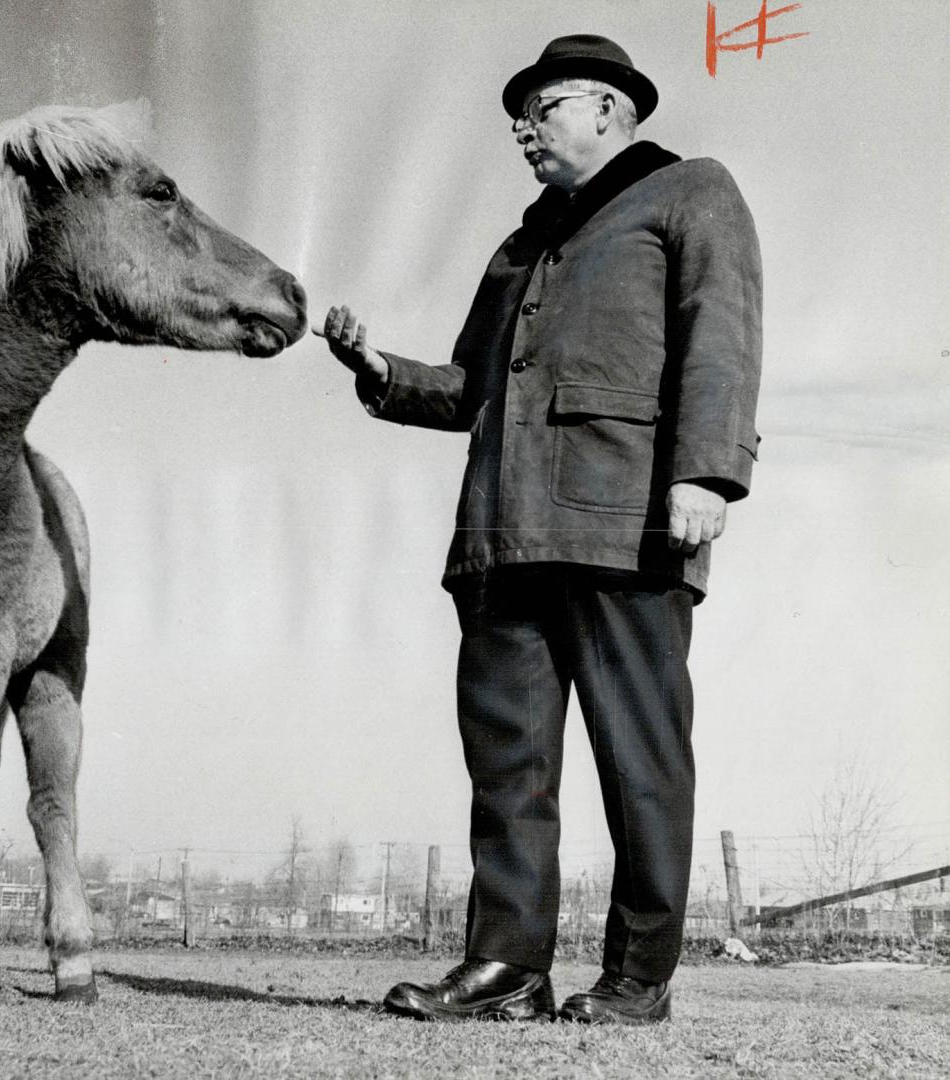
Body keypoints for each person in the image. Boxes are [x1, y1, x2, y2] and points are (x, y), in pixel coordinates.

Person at [318, 34, 762, 1024]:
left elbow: (719, 339)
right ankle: (506, 968)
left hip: (628, 528)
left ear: (608, 107)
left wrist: (705, 473)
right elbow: (474, 387)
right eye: (517, 112)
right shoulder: (518, 245)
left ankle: (637, 977)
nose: (521, 128)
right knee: (505, 769)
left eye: (542, 105)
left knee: (639, 761)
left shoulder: (690, 193)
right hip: (501, 538)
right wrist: (376, 369)